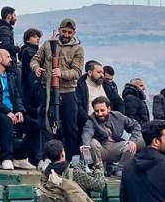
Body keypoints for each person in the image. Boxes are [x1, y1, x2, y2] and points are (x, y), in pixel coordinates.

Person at [30, 18, 84, 159]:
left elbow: (77, 72)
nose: (66, 35)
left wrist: (62, 74)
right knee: (45, 124)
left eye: (69, 32)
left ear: (74, 33)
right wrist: (36, 68)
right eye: (64, 31)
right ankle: (45, 158)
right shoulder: (48, 44)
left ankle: (68, 158)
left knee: (70, 127)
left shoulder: (78, 49)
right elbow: (35, 59)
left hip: (67, 92)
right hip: (47, 91)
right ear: (59, 30)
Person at [0, 49, 38, 170]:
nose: (11, 59)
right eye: (7, 57)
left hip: (13, 111)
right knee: (6, 122)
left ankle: (21, 158)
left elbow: (17, 95)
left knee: (34, 126)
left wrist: (20, 111)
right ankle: (7, 158)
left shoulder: (10, 75)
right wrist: (8, 112)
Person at [82, 96, 141, 174]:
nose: (99, 114)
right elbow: (87, 133)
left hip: (115, 148)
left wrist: (132, 140)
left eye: (102, 110)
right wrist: (86, 146)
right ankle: (99, 170)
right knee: (92, 142)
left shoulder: (118, 116)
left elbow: (135, 125)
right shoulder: (91, 120)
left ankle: (120, 170)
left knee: (131, 146)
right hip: (100, 149)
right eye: (97, 111)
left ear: (109, 109)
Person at [77, 61, 124, 132]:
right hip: (89, 127)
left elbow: (119, 103)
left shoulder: (106, 86)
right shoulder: (80, 87)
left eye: (102, 73)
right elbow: (79, 108)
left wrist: (116, 121)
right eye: (99, 72)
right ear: (90, 73)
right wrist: (90, 123)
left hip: (110, 127)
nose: (102, 75)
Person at [19, 28, 43, 164]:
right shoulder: (29, 51)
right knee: (35, 124)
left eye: (38, 36)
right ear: (28, 38)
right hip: (31, 91)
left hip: (30, 90)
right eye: (34, 36)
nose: (37, 38)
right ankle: (34, 157)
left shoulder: (29, 51)